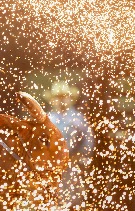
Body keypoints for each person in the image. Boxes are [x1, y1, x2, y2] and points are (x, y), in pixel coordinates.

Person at [44, 80, 94, 210]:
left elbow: (88, 141)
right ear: (53, 100)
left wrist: (79, 156)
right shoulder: (48, 119)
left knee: (74, 197)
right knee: (53, 197)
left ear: (69, 98)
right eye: (58, 98)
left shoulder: (78, 118)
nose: (61, 101)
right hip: (52, 165)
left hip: (74, 163)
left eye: (63, 97)